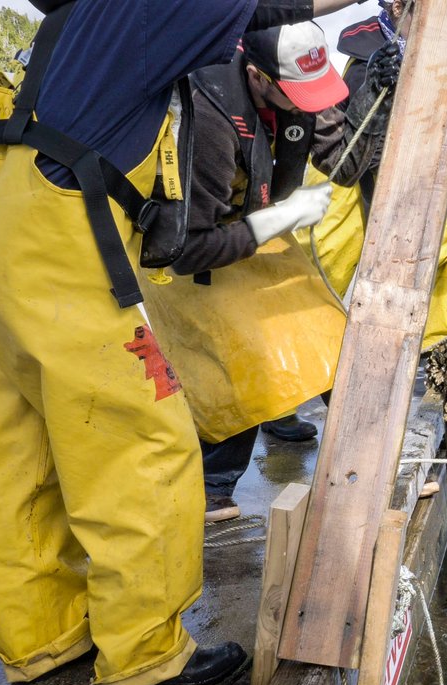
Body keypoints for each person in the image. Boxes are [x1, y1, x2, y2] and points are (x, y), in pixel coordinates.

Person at [0, 0, 333, 685]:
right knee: (145, 448)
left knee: (22, 453)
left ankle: (43, 639)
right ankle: (146, 654)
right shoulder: (148, 10)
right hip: (54, 256)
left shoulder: (74, 18)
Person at [137, 19, 391, 524]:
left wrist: (373, 100)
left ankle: (373, 456)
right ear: (256, 75)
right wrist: (282, 217)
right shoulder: (210, 117)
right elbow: (188, 249)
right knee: (236, 357)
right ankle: (212, 484)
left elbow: (344, 165)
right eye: (297, 96)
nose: (309, 105)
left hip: (262, 229)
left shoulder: (303, 88)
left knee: (332, 332)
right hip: (199, 247)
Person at [307, 0, 447, 352]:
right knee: (324, 265)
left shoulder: (422, 55)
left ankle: (433, 347)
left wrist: (440, 180)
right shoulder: (367, 65)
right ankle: (310, 352)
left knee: (438, 244)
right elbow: (365, 150)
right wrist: (444, 184)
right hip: (341, 180)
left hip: (394, 174)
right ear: (399, 8)